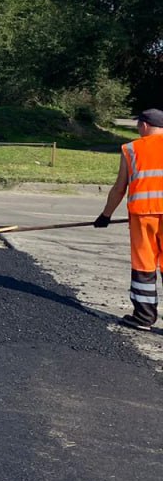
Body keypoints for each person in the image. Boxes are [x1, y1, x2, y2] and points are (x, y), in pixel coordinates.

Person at [96, 107, 163, 331]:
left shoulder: (131, 149)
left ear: (144, 125)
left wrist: (106, 215)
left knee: (144, 265)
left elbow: (119, 189)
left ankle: (143, 318)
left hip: (144, 216)